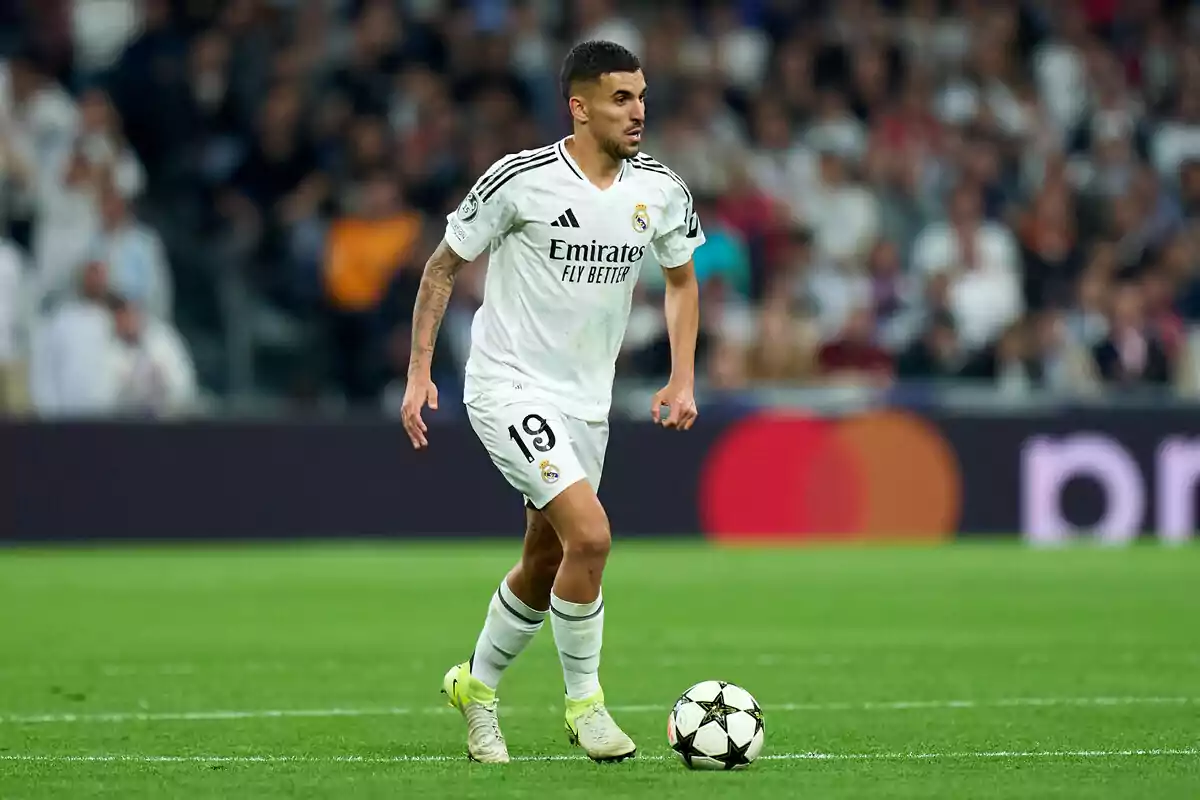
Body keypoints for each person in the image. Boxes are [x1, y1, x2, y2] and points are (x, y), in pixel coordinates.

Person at [400, 40, 704, 764]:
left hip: (585, 402)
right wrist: (418, 374)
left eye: (642, 96)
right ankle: (585, 706)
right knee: (592, 536)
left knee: (546, 560)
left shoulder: (660, 189)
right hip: (508, 385)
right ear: (580, 105)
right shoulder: (521, 180)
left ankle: (476, 689)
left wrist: (681, 375)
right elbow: (441, 271)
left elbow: (684, 281)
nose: (638, 112)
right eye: (621, 98)